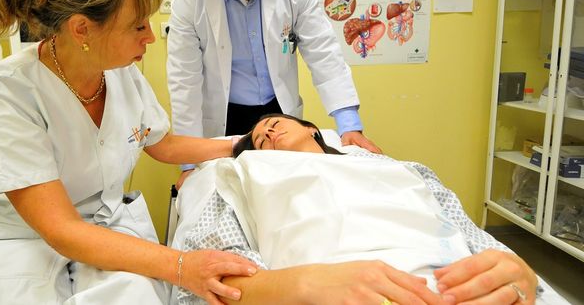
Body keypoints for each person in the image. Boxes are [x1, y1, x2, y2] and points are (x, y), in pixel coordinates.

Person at [0, 0, 258, 305]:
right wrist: (182, 266)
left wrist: (247, 143)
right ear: (82, 29)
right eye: (137, 25)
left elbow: (161, 144)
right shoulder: (5, 97)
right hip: (16, 245)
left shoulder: (119, 71)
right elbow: (61, 229)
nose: (150, 37)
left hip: (105, 227)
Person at [173, 113, 566, 305]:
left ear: (313, 129)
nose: (268, 133)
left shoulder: (400, 169)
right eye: (259, 138)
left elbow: (471, 235)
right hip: (334, 286)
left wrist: (521, 277)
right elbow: (214, 274)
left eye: (274, 123)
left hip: (445, 286)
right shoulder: (244, 172)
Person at [166, 0, 381, 178]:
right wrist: (188, 165)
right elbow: (184, 84)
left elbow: (324, 54)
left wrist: (349, 125)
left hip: (280, 114)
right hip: (223, 120)